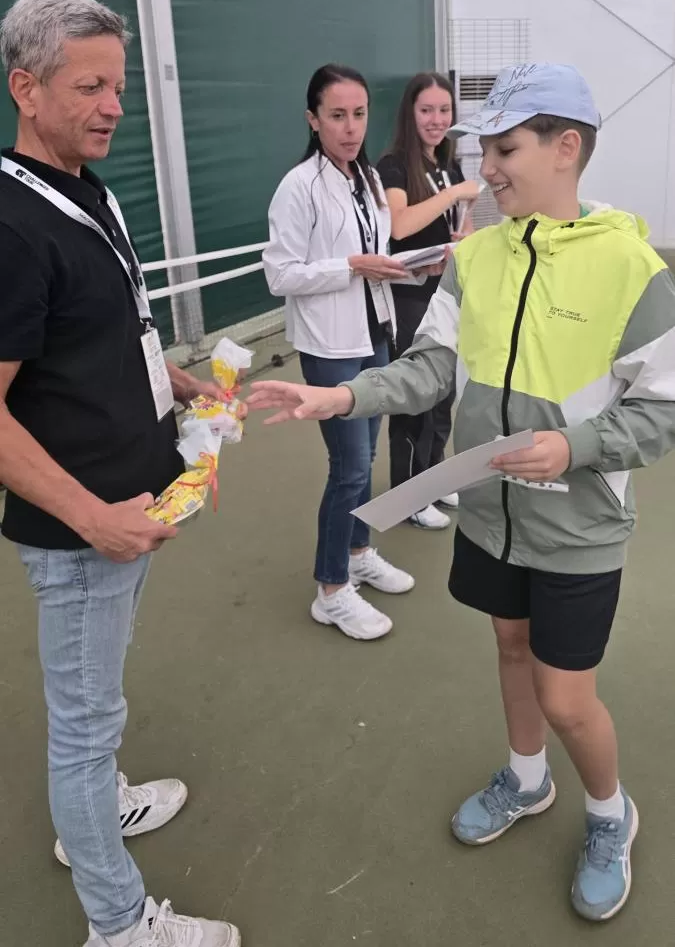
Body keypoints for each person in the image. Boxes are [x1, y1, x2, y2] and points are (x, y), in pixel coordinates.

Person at [248, 62, 675, 922]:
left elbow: (662, 408)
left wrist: (574, 446)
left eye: (504, 149)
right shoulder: (474, 257)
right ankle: (526, 779)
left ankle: (608, 813)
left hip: (579, 530)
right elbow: (430, 368)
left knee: (566, 697)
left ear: (565, 147)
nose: (486, 167)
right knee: (510, 648)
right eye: (484, 150)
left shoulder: (633, 267)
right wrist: (342, 396)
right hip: (486, 515)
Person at [0, 0, 240, 947]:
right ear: (26, 89)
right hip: (81, 532)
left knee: (97, 702)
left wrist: (180, 382)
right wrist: (92, 517)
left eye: (118, 85)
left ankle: (96, 807)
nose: (113, 106)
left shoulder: (82, 187)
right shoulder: (12, 226)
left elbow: (103, 333)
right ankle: (119, 923)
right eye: (89, 87)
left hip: (130, 509)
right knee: (85, 722)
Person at [262, 63, 418, 641]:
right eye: (336, 116)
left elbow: (376, 252)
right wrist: (350, 266)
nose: (350, 127)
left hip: (374, 332)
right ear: (313, 119)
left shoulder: (369, 179)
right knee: (349, 466)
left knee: (365, 456)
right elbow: (280, 274)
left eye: (359, 114)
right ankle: (330, 590)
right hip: (329, 346)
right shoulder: (298, 186)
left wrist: (413, 265)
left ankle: (357, 553)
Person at [377, 72, 481, 530]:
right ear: (410, 113)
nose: (437, 120)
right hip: (407, 299)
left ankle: (432, 479)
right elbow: (399, 225)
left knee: (443, 394)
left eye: (444, 110)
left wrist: (464, 235)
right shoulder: (394, 166)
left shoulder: (447, 165)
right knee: (414, 396)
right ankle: (407, 496)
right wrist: (454, 193)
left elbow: (459, 228)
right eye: (426, 110)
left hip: (445, 295)